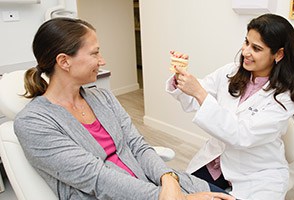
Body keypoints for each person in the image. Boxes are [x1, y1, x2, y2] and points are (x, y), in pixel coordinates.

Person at [14, 18, 235, 200]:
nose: (102, 60)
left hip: (161, 185)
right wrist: (177, 198)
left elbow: (137, 145)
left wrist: (169, 177)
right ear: (64, 61)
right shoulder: (33, 123)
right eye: (94, 53)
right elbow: (97, 178)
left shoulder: (102, 97)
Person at [166, 13, 294, 200]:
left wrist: (200, 93)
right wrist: (180, 76)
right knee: (181, 196)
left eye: (256, 48)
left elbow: (242, 135)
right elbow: (195, 98)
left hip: (257, 173)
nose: (246, 52)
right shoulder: (230, 71)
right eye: (246, 42)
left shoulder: (285, 96)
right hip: (216, 162)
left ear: (278, 54)